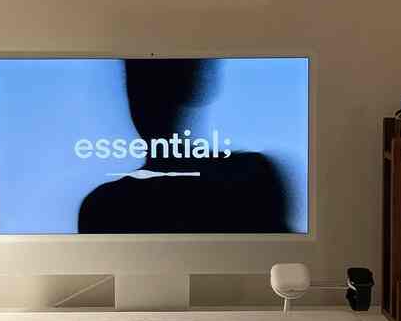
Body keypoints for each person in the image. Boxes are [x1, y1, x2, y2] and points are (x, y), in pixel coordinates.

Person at [78, 59, 291, 233]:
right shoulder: (250, 180)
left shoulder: (105, 209)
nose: (143, 95)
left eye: (157, 80)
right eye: (135, 79)